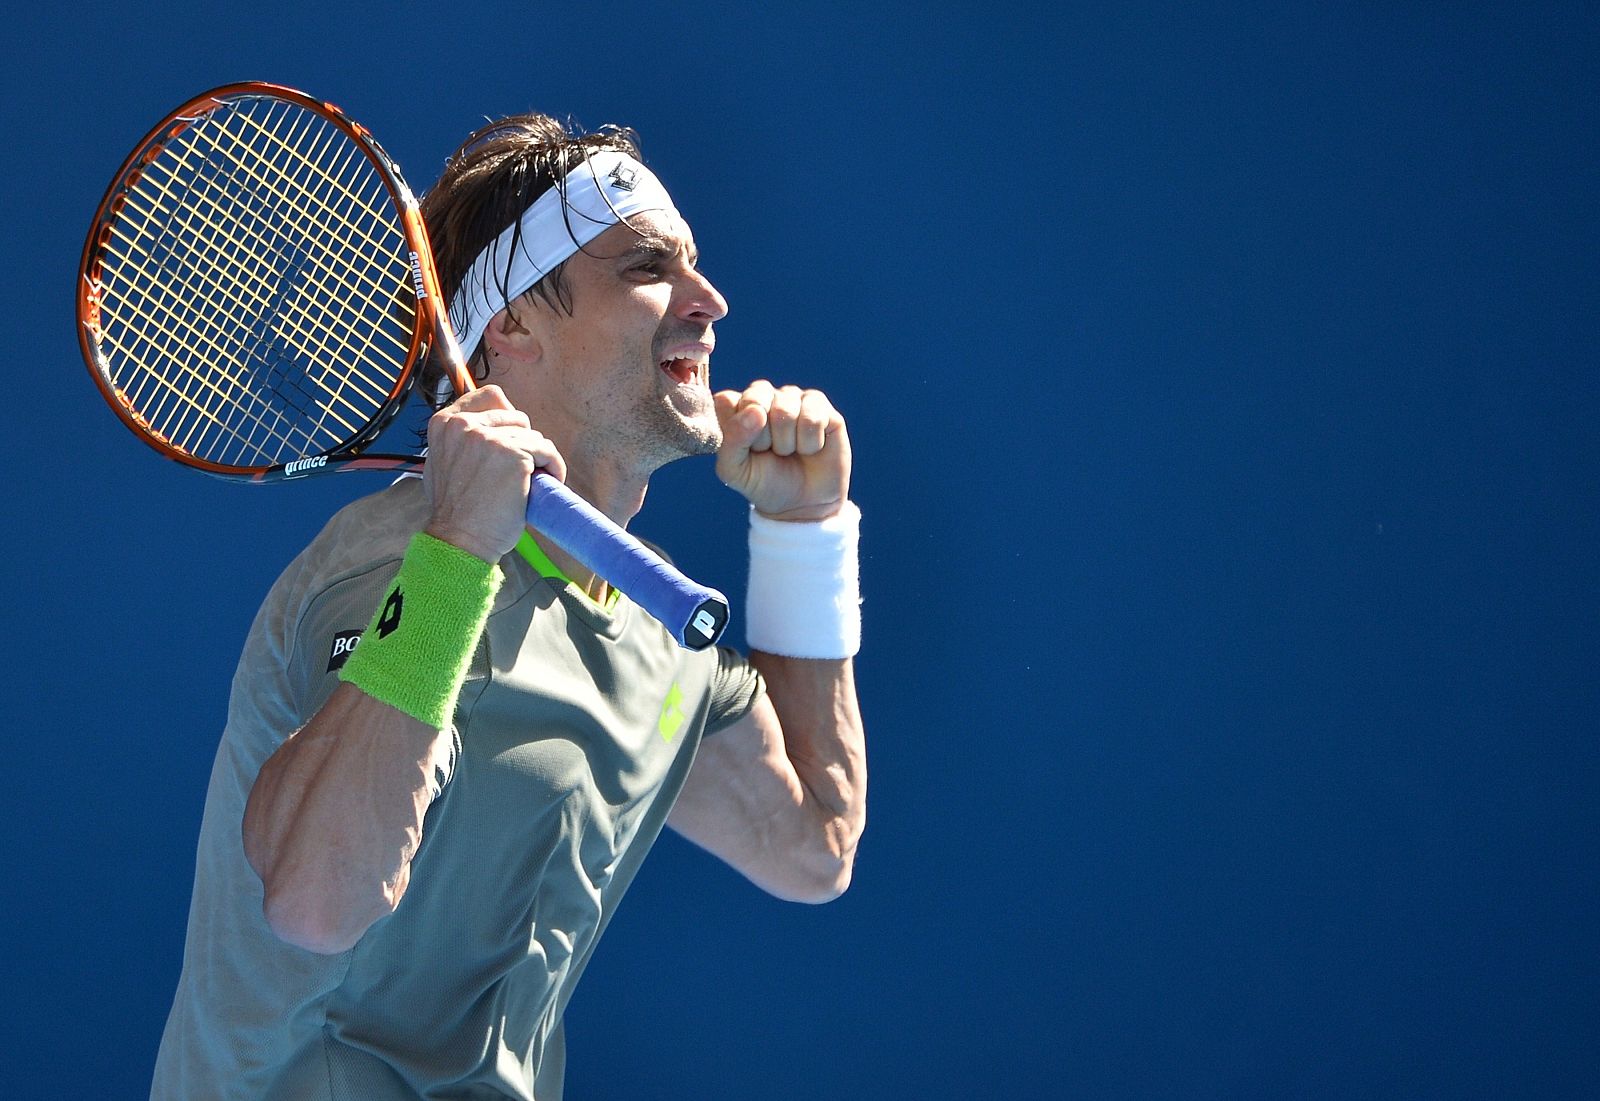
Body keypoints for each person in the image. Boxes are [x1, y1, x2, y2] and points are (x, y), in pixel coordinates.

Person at [149, 112, 866, 1100]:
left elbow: (813, 847)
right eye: (647, 269)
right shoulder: (389, 560)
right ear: (514, 325)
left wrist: (804, 533)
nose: (708, 302)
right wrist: (453, 558)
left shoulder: (656, 634)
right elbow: (316, 902)